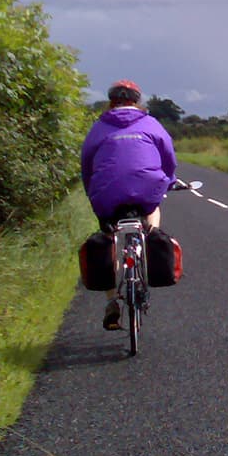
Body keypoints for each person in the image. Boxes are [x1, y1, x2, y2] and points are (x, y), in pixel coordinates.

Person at [80, 80, 177, 329]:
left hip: (106, 193)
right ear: (137, 101)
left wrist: (93, 192)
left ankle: (112, 302)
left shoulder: (99, 126)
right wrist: (168, 181)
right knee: (153, 206)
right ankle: (153, 235)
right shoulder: (151, 123)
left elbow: (87, 164)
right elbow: (168, 159)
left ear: (111, 101)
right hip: (146, 189)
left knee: (107, 234)